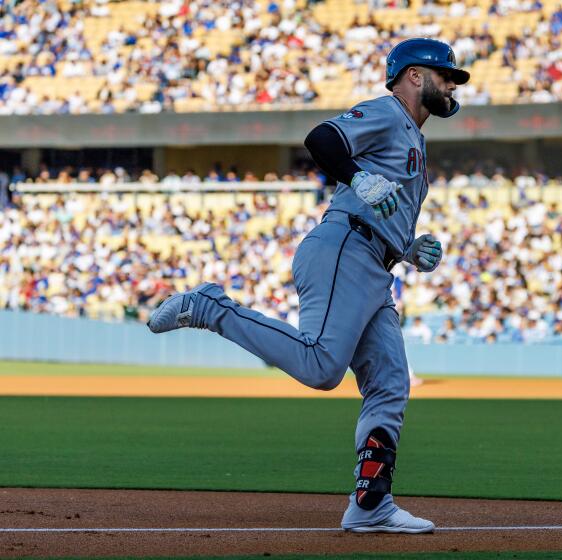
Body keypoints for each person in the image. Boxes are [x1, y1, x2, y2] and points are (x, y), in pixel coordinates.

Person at [146, 38, 469, 533]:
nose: (452, 84)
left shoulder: (415, 138)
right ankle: (210, 307)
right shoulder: (387, 111)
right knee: (322, 366)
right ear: (415, 77)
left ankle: (370, 505)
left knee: (389, 385)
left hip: (374, 264)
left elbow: (380, 206)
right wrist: (358, 178)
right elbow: (322, 140)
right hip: (344, 249)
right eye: (445, 75)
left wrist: (407, 248)